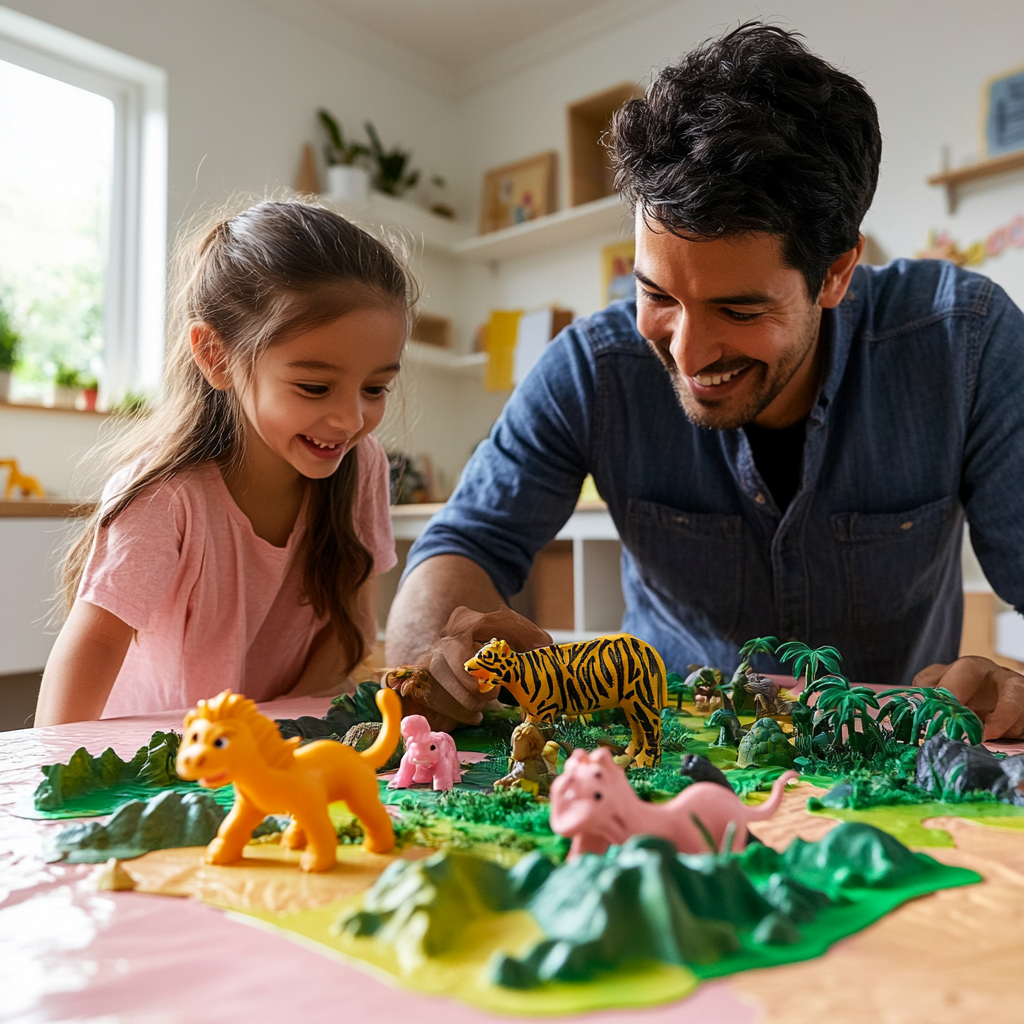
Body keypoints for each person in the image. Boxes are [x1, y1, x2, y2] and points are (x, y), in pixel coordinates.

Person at [386, 23, 1024, 741]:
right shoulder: (591, 368)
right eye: (657, 295)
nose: (687, 352)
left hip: (884, 774)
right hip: (657, 764)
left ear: (836, 272)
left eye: (739, 308)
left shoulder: (963, 341)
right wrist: (435, 657)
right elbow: (460, 544)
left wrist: (1012, 690)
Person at [35, 200, 411, 726]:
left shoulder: (361, 465)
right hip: (157, 762)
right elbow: (93, 646)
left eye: (375, 388)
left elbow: (351, 621)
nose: (350, 420)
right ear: (216, 357)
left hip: (270, 749)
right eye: (314, 387)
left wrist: (280, 730)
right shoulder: (165, 495)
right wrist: (54, 775)